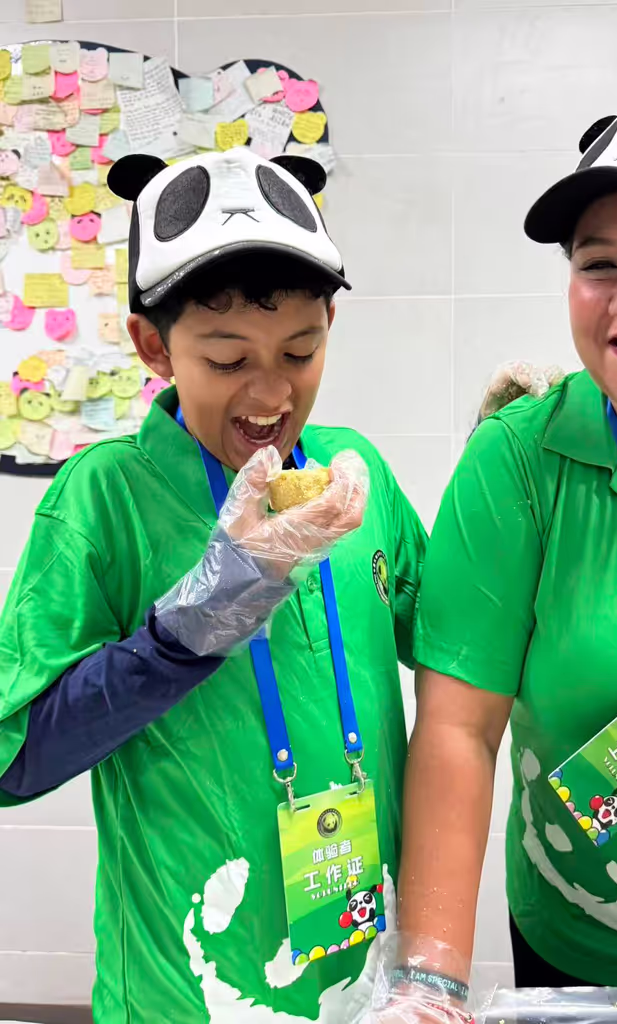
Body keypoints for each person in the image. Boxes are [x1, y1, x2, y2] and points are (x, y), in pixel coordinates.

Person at [0, 147, 430, 1022]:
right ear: (154, 346)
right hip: (185, 992)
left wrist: (521, 466)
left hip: (364, 979)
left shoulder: (357, 477)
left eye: (300, 351)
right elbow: (16, 757)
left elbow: (459, 641)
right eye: (228, 360)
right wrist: (187, 630)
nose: (272, 393)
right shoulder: (104, 497)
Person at [375, 89, 617, 1023]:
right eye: (599, 263)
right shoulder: (519, 460)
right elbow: (459, 728)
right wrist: (431, 977)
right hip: (576, 938)